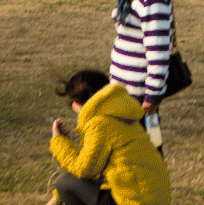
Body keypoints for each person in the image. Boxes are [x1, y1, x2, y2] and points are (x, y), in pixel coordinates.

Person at [47, 68, 172, 205]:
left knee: (65, 182)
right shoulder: (121, 112)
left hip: (135, 201)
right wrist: (55, 198)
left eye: (72, 101)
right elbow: (96, 170)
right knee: (68, 182)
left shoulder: (99, 123)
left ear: (78, 102)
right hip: (154, 197)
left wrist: (58, 140)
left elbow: (84, 170)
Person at [91, 0, 174, 126]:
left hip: (138, 96)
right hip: (122, 91)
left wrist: (151, 97)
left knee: (141, 152)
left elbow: (158, 52)